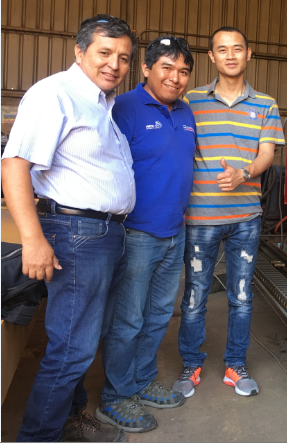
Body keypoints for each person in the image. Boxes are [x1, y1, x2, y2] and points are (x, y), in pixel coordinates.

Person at [1, 14, 137, 442]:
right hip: (78, 235)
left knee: (83, 338)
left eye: (124, 57)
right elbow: (14, 165)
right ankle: (39, 435)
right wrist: (32, 239)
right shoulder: (55, 94)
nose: (114, 64)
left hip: (104, 235)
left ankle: (70, 418)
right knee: (71, 348)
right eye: (104, 53)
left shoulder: (102, 104)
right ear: (79, 52)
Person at [171, 27, 284, 398]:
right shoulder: (191, 100)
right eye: (222, 49)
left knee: (241, 297)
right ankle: (191, 364)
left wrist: (244, 173)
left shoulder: (265, 104)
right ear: (211, 56)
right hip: (200, 217)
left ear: (249, 54)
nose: (231, 55)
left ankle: (236, 366)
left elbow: (267, 154)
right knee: (195, 296)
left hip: (245, 219)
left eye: (237, 49)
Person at [96, 36, 196, 432]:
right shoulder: (125, 108)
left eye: (183, 71)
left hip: (175, 232)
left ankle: (141, 381)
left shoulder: (185, 113)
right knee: (128, 320)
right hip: (136, 233)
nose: (175, 78)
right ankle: (115, 396)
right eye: (167, 68)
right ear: (146, 68)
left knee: (158, 316)